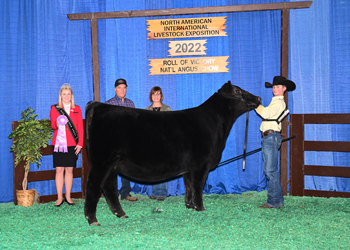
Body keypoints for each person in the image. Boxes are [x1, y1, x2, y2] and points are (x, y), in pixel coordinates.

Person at [255, 76, 296, 208]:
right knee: (271, 170)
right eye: (273, 87)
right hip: (270, 137)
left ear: (284, 89)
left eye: (278, 87)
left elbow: (266, 114)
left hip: (271, 137)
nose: (274, 89)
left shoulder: (278, 102)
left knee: (270, 171)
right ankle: (278, 201)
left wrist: (255, 104)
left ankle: (273, 202)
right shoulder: (276, 102)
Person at [50, 83, 84, 207]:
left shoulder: (77, 109)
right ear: (61, 95)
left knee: (69, 170)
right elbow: (53, 125)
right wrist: (58, 124)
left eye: (68, 94)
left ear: (71, 95)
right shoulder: (55, 108)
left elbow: (80, 127)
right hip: (59, 144)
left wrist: (80, 143)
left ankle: (68, 197)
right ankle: (59, 198)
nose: (66, 96)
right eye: (64, 94)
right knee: (59, 170)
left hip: (72, 144)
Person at [105, 78, 138, 201]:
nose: (122, 90)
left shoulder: (131, 103)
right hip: (114, 140)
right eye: (120, 88)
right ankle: (111, 194)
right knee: (111, 167)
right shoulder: (109, 104)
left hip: (128, 140)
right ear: (115, 89)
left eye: (124, 88)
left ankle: (125, 194)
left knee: (126, 166)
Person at [145, 86, 171, 201]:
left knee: (163, 168)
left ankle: (163, 193)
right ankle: (155, 192)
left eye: (158, 94)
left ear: (161, 96)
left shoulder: (167, 109)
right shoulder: (147, 110)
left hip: (164, 142)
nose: (156, 96)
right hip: (151, 142)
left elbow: (170, 125)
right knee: (154, 168)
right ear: (151, 96)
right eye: (154, 94)